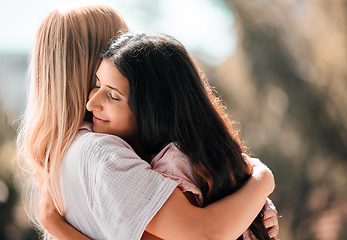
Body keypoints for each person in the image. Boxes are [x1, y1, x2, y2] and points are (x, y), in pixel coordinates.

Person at [18, 5, 277, 240]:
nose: (125, 50)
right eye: (118, 42)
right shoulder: (101, 154)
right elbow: (205, 233)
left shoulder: (72, 152)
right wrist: (261, 179)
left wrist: (243, 196)